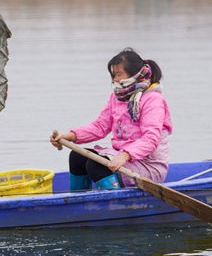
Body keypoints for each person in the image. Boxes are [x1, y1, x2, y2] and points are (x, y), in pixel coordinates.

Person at [50, 48, 171, 191]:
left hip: (148, 166)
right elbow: (100, 127)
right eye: (113, 75)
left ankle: (115, 203)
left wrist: (126, 155)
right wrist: (69, 136)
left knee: (96, 165)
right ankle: (77, 201)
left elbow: (150, 139)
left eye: (119, 74)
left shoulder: (153, 100)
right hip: (122, 159)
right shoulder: (117, 98)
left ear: (135, 74)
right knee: (77, 156)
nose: (115, 80)